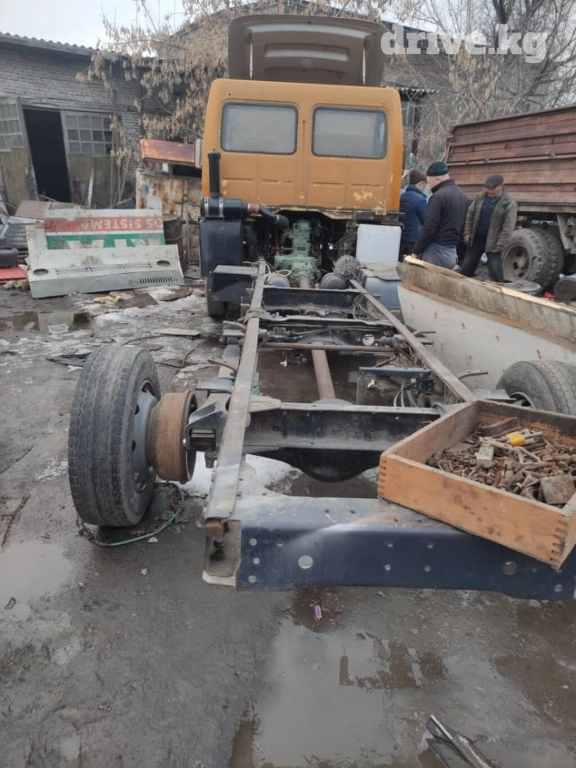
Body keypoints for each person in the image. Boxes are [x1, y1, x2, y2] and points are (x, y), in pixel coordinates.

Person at [460, 174, 517, 283]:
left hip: (494, 242)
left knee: (495, 272)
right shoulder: (480, 197)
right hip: (477, 238)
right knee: (466, 267)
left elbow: (508, 227)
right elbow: (470, 215)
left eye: (493, 188)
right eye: (488, 188)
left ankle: (498, 289)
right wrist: (467, 232)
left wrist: (500, 244)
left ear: (501, 186)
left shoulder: (509, 203)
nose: (490, 191)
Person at [411, 161, 468, 269]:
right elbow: (462, 226)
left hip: (435, 253)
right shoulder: (462, 195)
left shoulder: (438, 197)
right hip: (451, 252)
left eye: (429, 182)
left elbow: (429, 228)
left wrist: (415, 252)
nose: (429, 186)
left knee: (427, 279)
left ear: (437, 179)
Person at [399, 169, 427, 259]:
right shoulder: (420, 199)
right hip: (413, 240)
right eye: (424, 186)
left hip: (401, 237)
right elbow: (426, 220)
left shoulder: (401, 196)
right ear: (420, 184)